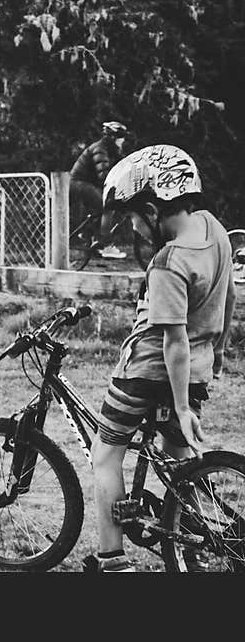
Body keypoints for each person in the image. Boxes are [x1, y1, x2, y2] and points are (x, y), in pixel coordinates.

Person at [87, 145, 235, 572]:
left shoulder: (169, 262)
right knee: (177, 455)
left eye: (132, 216)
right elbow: (227, 300)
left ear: (152, 209)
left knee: (106, 454)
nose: (132, 226)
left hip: (148, 371)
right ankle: (193, 539)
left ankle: (112, 562)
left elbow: (173, 342)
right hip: (195, 370)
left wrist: (184, 408)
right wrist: (218, 353)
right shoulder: (215, 230)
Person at [69, 120, 131, 259]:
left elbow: (124, 165)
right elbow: (104, 174)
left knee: (102, 207)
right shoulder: (100, 149)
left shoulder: (111, 149)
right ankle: (106, 246)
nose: (123, 141)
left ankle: (89, 236)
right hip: (79, 183)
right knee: (107, 207)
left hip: (87, 183)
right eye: (121, 138)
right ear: (113, 138)